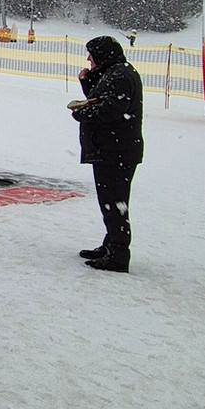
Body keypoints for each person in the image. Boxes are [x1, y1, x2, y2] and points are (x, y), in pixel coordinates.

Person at [69, 35, 143, 273]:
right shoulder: (115, 72)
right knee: (112, 202)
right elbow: (101, 98)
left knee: (115, 202)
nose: (88, 58)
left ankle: (119, 254)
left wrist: (80, 113)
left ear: (103, 54)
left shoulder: (119, 76)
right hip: (114, 149)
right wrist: (87, 81)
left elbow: (109, 110)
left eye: (91, 54)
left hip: (116, 151)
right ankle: (111, 244)